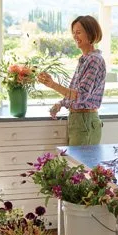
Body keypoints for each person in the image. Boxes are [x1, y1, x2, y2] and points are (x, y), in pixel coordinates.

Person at [37, 15, 106, 146]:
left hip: (85, 122)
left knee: (79, 165)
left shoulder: (94, 60)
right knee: (75, 165)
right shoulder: (85, 59)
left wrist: (52, 84)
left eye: (79, 32)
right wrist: (61, 103)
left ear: (90, 34)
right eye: (73, 33)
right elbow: (75, 93)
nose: (75, 36)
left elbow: (80, 95)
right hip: (80, 120)